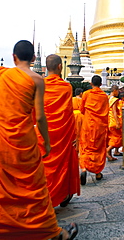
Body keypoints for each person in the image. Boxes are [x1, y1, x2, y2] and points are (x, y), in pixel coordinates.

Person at [0, 40, 78, 240]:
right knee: (33, 187)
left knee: (5, 189)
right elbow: (40, 117)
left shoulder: (2, 76)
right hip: (24, 141)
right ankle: (52, 232)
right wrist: (48, 143)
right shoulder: (37, 79)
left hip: (2, 141)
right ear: (34, 59)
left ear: (13, 57)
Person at [36, 54, 80, 208]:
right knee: (62, 166)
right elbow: (68, 113)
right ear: (60, 67)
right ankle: (60, 194)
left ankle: (45, 196)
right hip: (62, 134)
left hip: (43, 134)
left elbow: (37, 113)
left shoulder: (39, 84)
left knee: (45, 166)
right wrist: (74, 135)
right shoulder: (66, 87)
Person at [80, 75, 109, 184]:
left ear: (91, 84)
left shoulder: (87, 94)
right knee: (98, 147)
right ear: (101, 84)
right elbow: (106, 111)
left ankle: (83, 167)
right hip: (100, 126)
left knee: (85, 146)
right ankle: (97, 172)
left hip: (88, 125)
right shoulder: (104, 96)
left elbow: (82, 109)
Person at [107, 85, 121, 161]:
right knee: (117, 138)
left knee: (111, 137)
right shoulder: (114, 100)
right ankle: (107, 150)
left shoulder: (108, 98)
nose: (118, 92)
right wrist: (117, 122)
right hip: (113, 120)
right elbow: (114, 112)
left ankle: (110, 155)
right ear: (115, 90)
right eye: (118, 91)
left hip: (109, 120)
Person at [72, 88, 84, 152]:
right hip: (81, 117)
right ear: (81, 93)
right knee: (80, 133)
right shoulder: (82, 100)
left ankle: (74, 147)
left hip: (73, 116)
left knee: (74, 132)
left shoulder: (72, 99)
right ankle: (79, 148)